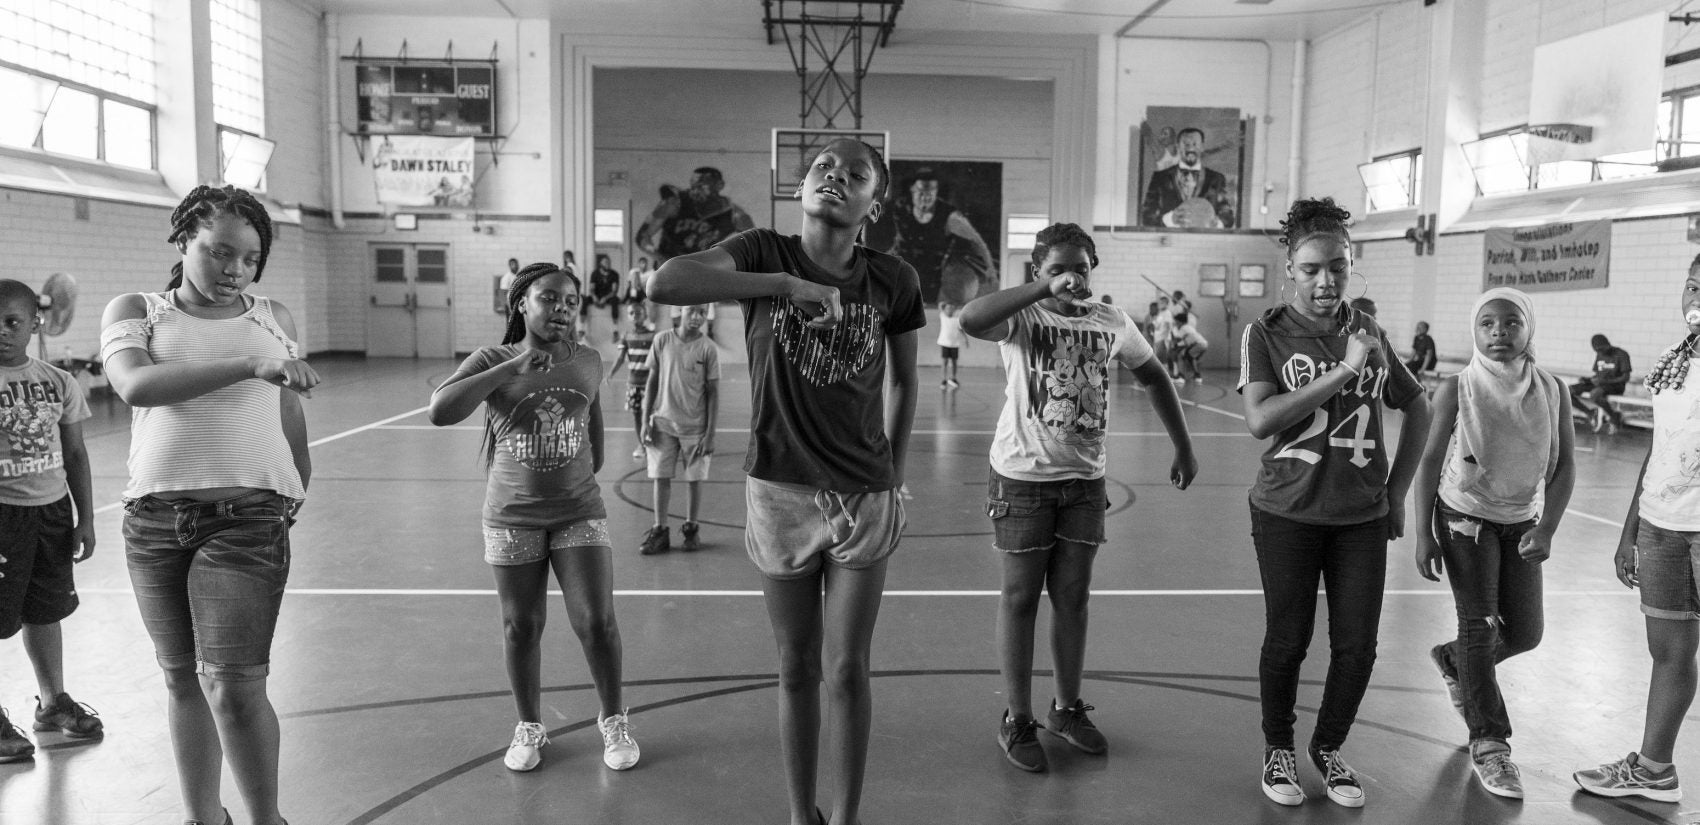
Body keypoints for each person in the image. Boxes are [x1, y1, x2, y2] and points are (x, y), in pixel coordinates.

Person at [648, 137, 922, 825]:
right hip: (778, 489)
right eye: (824, 168)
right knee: (795, 665)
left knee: (847, 668)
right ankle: (803, 815)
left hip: (863, 493)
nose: (835, 178)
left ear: (874, 202)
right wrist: (784, 286)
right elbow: (666, 281)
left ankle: (849, 816)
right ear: (800, 186)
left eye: (855, 174)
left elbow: (906, 380)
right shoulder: (762, 251)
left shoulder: (893, 279)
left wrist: (897, 474)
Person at [99, 184, 319, 825]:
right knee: (181, 679)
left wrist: (296, 485)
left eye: (250, 259)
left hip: (248, 519)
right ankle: (203, 818)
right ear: (183, 239)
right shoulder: (136, 310)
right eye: (220, 252)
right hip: (153, 522)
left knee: (234, 686)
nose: (235, 270)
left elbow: (288, 410)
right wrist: (251, 364)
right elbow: (137, 385)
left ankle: (264, 819)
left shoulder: (272, 317)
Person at [958, 223, 1198, 773]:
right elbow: (972, 319)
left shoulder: (1110, 321)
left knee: (1073, 595)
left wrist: (1183, 447)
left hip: (1085, 482)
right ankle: (1016, 718)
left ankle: (1065, 708)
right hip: (1022, 477)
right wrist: (1043, 290)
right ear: (1039, 273)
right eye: (1060, 267)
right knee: (1020, 598)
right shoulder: (1023, 317)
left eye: (1083, 266)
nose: (1074, 276)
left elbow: (1156, 378)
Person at [1239, 197, 1430, 809]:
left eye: (1339, 268)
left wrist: (1397, 491)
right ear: (1289, 268)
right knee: (1288, 639)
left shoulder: (1367, 331)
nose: (1327, 281)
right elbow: (1261, 420)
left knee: (1358, 645)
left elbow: (1417, 405)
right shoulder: (1265, 332)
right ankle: (1278, 749)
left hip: (1361, 518)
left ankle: (1328, 748)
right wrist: (1344, 372)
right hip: (1287, 512)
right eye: (1314, 268)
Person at [426, 262, 640, 776]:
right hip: (512, 517)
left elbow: (595, 434)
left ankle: (613, 719)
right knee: (521, 626)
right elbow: (440, 410)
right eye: (549, 299)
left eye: (570, 302)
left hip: (579, 512)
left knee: (596, 621)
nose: (561, 310)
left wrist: (571, 474)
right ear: (522, 302)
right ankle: (529, 725)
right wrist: (512, 368)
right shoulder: (491, 358)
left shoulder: (588, 360)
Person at [1413, 287, 1574, 799]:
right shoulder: (1456, 389)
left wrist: (1545, 527)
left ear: (1529, 328)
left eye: (1510, 323)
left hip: (1521, 519)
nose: (1499, 333)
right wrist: (1423, 533)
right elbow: (1430, 459)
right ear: (1474, 329)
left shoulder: (1552, 390)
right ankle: (1491, 744)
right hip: (1465, 518)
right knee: (1479, 626)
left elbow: (1566, 463)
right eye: (1488, 324)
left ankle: (1455, 660)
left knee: (1525, 632)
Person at [1573, 257, 1700, 803]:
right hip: (1662, 527)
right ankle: (1653, 769)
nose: (1697, 297)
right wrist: (1631, 530)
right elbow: (1658, 448)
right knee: (1670, 651)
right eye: (1694, 285)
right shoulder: (1676, 362)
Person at [0, 279, 101, 764]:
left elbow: (77, 453)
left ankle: (52, 701)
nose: (1, 331)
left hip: (52, 512)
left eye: (12, 322)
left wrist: (85, 518)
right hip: (2, 516)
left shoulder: (59, 381)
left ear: (35, 323)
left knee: (46, 610)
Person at [637, 304, 719, 555]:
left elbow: (713, 393)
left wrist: (710, 433)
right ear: (679, 312)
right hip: (663, 423)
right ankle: (660, 529)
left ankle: (691, 528)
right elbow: (651, 381)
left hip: (695, 427)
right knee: (660, 477)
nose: (697, 317)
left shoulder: (708, 348)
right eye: (692, 311)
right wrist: (645, 420)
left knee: (694, 479)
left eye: (702, 313)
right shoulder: (662, 340)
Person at [884, 167, 996, 306]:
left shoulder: (950, 217)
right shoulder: (900, 207)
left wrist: (990, 268)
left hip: (930, 277)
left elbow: (977, 241)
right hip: (900, 272)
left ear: (936, 193)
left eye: (930, 194)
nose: (925, 198)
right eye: (921, 193)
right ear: (912, 191)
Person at [1139, 127, 1237, 229]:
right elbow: (1147, 217)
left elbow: (1228, 217)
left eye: (1195, 144)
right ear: (1177, 146)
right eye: (1186, 144)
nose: (1190, 148)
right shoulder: (1159, 177)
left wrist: (1218, 223)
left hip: (1205, 242)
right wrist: (1170, 219)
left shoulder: (1217, 178)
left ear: (1202, 146)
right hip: (1170, 242)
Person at [611, 303, 658, 463]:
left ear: (645, 315)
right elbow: (620, 358)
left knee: (652, 415)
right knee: (637, 416)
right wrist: (610, 374)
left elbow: (659, 361)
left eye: (638, 313)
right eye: (631, 313)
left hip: (650, 385)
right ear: (628, 316)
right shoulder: (626, 336)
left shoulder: (653, 336)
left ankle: (654, 444)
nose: (635, 316)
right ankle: (642, 444)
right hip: (633, 385)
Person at [1569, 333, 1632, 433]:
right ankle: (1590, 413)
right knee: (1568, 391)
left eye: (1601, 349)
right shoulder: (1600, 354)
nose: (1600, 352)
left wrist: (1604, 381)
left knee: (1595, 393)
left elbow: (1626, 377)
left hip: (1616, 385)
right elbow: (1598, 375)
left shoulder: (1621, 354)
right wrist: (1587, 380)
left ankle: (1614, 416)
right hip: (1600, 383)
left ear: (1608, 344)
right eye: (1597, 350)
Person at [586, 254, 622, 342]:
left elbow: (614, 291)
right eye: (605, 262)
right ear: (600, 264)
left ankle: (615, 331)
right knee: (584, 300)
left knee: (615, 301)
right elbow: (591, 289)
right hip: (597, 296)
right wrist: (594, 297)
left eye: (608, 262)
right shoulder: (595, 273)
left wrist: (605, 298)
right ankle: (582, 330)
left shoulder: (614, 274)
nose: (608, 264)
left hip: (609, 297)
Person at [1168, 310, 1209, 383]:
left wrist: (1174, 346)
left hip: (1199, 344)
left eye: (1177, 322)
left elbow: (1179, 340)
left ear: (1181, 322)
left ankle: (1181, 377)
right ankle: (1197, 376)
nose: (1176, 324)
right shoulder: (1188, 327)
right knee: (1190, 357)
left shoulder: (1184, 328)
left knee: (1181, 356)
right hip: (1202, 344)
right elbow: (1185, 341)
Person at [937, 301, 966, 389]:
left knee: (954, 362)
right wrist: (946, 304)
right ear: (945, 310)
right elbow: (940, 305)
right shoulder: (943, 316)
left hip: (954, 344)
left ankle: (953, 378)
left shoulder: (957, 320)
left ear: (954, 310)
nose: (949, 310)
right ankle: (944, 380)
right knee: (944, 362)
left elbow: (961, 330)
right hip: (945, 343)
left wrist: (966, 339)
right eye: (948, 308)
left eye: (951, 308)